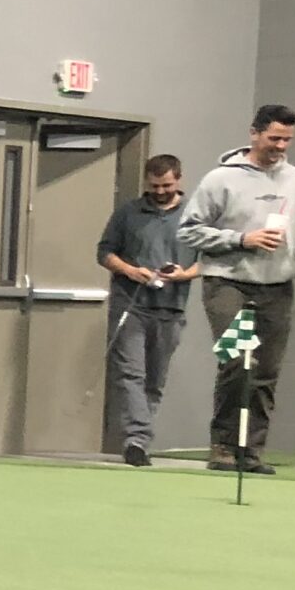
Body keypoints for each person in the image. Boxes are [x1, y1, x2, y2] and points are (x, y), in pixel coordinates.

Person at [178, 105, 295, 473]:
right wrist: (241, 239)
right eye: (274, 138)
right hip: (227, 283)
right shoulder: (220, 179)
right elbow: (189, 230)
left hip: (277, 287)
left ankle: (250, 451)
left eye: (287, 140)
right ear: (254, 133)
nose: (280, 146)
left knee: (266, 371)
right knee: (237, 360)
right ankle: (223, 445)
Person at [96, 154, 198, 466]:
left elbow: (210, 261)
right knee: (130, 374)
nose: (160, 191)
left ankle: (140, 439)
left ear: (178, 179)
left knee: (154, 380)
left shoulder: (195, 215)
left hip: (172, 308)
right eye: (154, 186)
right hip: (131, 305)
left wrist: (184, 274)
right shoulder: (128, 212)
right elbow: (104, 253)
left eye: (166, 185)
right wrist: (130, 270)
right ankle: (136, 441)